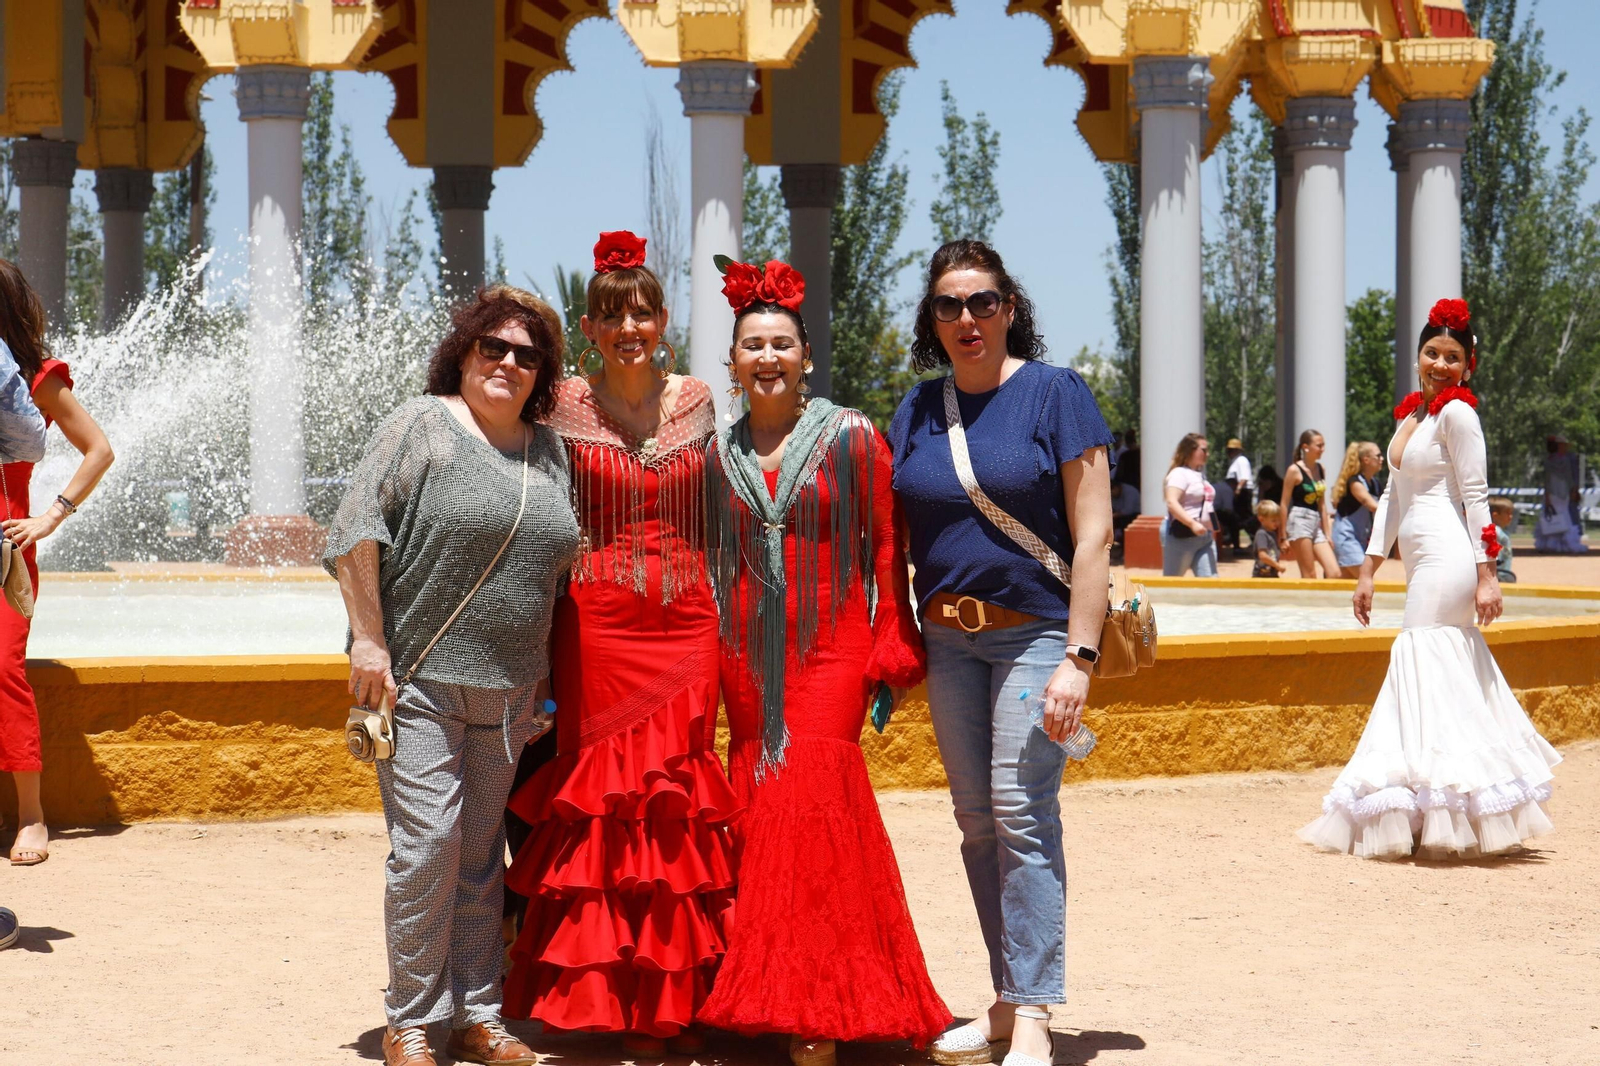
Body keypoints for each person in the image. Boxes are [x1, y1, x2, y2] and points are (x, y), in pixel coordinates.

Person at [696, 259, 951, 1066]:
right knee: (760, 802)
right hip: (743, 649)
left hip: (831, 647)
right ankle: (762, 995)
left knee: (813, 792)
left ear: (806, 356)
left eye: (780, 343)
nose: (766, 357)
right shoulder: (713, 452)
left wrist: (893, 639)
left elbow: (887, 546)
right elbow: (706, 562)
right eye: (751, 345)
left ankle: (822, 1004)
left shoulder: (851, 436)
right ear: (732, 364)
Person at [324, 285, 579, 1066]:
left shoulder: (551, 450)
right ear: (463, 354)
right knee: (427, 847)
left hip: (508, 693)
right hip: (421, 681)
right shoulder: (422, 426)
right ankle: (410, 1018)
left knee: (476, 857)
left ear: (543, 373)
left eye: (525, 355)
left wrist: (543, 685)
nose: (507, 363)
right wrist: (369, 641)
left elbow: (556, 575)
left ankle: (478, 1014)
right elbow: (353, 526)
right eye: (491, 348)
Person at [502, 232, 737, 1056]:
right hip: (596, 621)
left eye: (641, 310)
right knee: (603, 797)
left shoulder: (700, 398)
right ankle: (607, 999)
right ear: (591, 328)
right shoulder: (560, 402)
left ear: (663, 319)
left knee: (676, 796)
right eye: (612, 315)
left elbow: (729, 505)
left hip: (688, 619)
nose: (629, 326)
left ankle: (676, 996)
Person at [890, 240, 1114, 1066]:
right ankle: (1006, 995)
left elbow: (1093, 535)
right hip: (948, 639)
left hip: (1036, 634)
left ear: (1009, 306)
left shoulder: (1056, 395)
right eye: (949, 306)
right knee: (976, 823)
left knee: (1021, 815)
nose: (967, 319)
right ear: (934, 319)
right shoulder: (916, 409)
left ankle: (1033, 1015)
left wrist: (1078, 659)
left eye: (982, 302)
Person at [1299, 298, 1559, 859]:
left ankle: (1443, 806)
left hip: (1450, 557)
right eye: (1431, 353)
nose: (1440, 364)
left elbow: (1475, 496)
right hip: (1419, 561)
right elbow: (1392, 497)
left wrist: (1489, 575)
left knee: (1420, 656)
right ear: (1418, 356)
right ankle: (1434, 804)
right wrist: (1368, 570)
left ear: (1470, 364)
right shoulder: (1413, 417)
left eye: (1452, 357)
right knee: (1436, 673)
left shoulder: (1459, 415)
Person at [0, 260, 101, 868]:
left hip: (5, 548)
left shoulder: (36, 377)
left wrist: (51, 515)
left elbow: (100, 448)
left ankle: (32, 815)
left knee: (3, 669)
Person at [1279, 430, 1340, 579]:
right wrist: (1283, 536)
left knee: (1334, 572)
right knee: (1309, 574)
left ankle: (1325, 601)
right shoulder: (1294, 470)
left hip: (1316, 522)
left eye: (1323, 445)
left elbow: (1322, 504)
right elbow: (1284, 503)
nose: (1322, 449)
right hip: (1299, 520)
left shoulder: (1321, 469)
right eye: (1319, 445)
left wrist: (1327, 533)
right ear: (1305, 447)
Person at [1160, 433, 1218, 577]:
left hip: (1205, 537)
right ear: (1190, 450)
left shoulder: (1199, 474)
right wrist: (1192, 524)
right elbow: (1171, 502)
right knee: (1172, 582)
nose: (1207, 454)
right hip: (1181, 536)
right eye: (1203, 450)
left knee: (1210, 583)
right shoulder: (1179, 474)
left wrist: (1214, 528)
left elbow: (1207, 505)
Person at [1329, 442, 1383, 578]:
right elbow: (1372, 505)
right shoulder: (1355, 482)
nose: (1382, 459)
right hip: (1346, 538)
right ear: (1366, 460)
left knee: (1346, 584)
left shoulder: (1375, 483)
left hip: (1361, 540)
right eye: (1378, 456)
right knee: (1365, 578)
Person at [1533, 434, 1585, 552]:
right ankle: (1562, 543)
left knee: (1558, 514)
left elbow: (1550, 480)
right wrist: (1573, 489)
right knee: (1562, 514)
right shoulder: (1565, 459)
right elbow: (1568, 477)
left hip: (1558, 491)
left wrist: (1573, 489)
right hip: (1560, 491)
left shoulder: (1553, 460)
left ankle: (1554, 542)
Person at [1224, 438, 1255, 548]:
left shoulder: (1241, 460)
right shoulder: (1235, 462)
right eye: (1229, 450)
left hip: (1242, 492)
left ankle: (1255, 538)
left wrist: (1237, 491)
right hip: (1239, 492)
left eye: (1232, 450)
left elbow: (1244, 477)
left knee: (1245, 518)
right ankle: (1232, 540)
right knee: (1236, 518)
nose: (1230, 452)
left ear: (1238, 450)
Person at [1252, 501, 1287, 578]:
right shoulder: (1262, 534)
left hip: (1272, 574)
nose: (1277, 523)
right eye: (1273, 520)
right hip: (1262, 576)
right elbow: (1263, 555)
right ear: (1261, 519)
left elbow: (1271, 551)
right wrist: (1277, 566)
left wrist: (1281, 549)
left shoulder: (1272, 533)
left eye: (1278, 520)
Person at [1490, 496, 1517, 583]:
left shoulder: (1501, 532)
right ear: (1495, 516)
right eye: (1508, 513)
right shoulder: (1495, 532)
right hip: (1499, 574)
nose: (1511, 516)